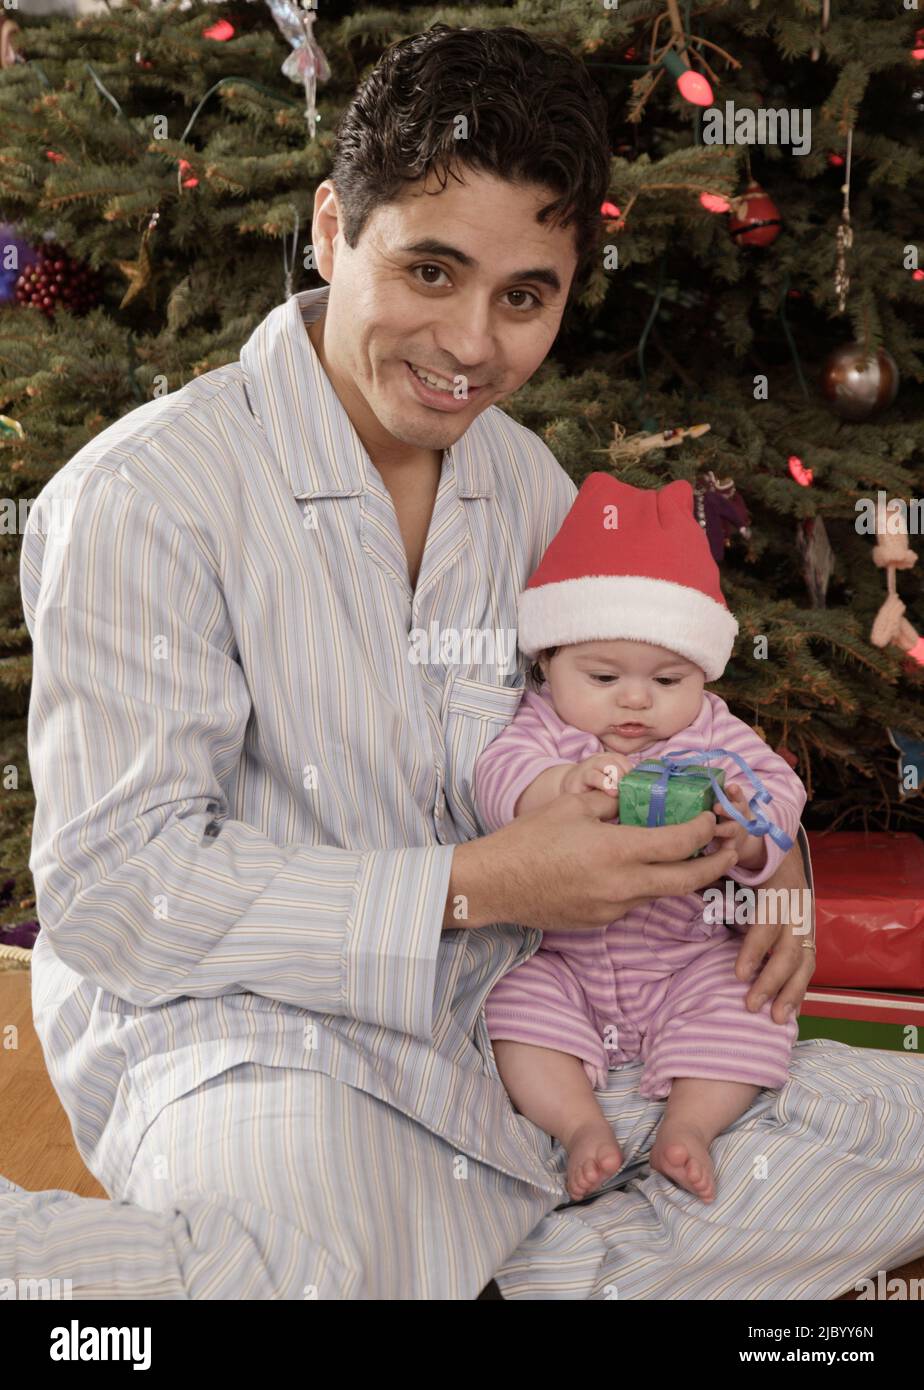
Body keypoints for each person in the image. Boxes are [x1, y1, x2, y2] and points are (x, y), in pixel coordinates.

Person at [3, 24, 923, 1300]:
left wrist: (768, 879)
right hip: (262, 1044)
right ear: (332, 231)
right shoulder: (148, 497)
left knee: (905, 1136)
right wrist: (476, 883)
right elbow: (121, 890)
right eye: (430, 271)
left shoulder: (531, 488)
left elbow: (660, 723)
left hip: (521, 1038)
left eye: (524, 296)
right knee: (303, 1275)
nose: (472, 346)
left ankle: (464, 1270)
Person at [474, 474, 807, 1204]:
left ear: (703, 675)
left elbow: (781, 794)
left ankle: (689, 1127)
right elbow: (499, 776)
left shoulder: (713, 729)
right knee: (512, 1011)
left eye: (667, 679)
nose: (635, 700)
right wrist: (558, 789)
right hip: (558, 956)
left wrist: (748, 833)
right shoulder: (545, 726)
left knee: (750, 1008)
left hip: (684, 954)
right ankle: (580, 1126)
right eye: (603, 675)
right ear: (549, 664)